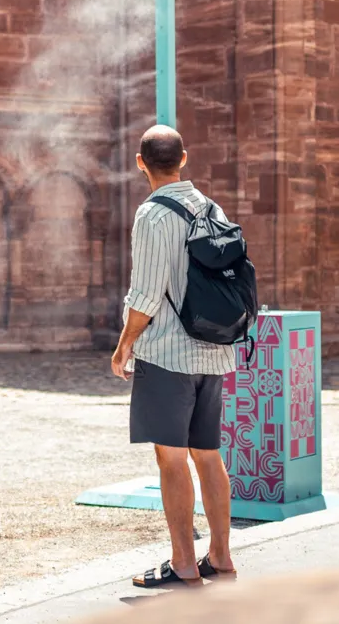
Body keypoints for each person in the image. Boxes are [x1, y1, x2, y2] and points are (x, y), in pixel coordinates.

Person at [110, 125, 240, 587]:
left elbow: (145, 294)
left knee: (171, 460)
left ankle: (184, 562)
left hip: (168, 355)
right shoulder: (211, 207)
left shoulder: (151, 215)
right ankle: (220, 556)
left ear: (140, 162)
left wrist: (125, 344)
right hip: (214, 351)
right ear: (184, 158)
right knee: (208, 455)